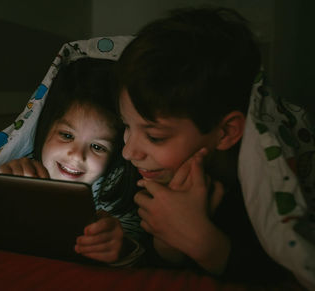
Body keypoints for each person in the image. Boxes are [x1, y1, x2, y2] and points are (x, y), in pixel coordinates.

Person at [114, 7, 288, 282]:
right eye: (126, 125)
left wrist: (204, 243)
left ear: (226, 132)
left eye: (155, 137)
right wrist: (167, 242)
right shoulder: (158, 176)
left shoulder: (263, 191)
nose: (128, 151)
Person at [0, 57, 144, 266]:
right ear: (45, 127)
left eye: (98, 147)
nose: (76, 156)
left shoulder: (115, 190)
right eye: (66, 135)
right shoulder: (20, 171)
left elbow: (138, 253)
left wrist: (120, 246)